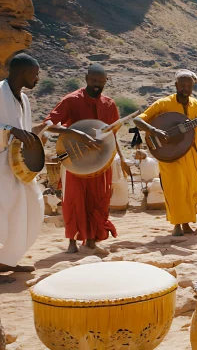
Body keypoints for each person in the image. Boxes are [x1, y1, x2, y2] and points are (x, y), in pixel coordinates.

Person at [0, 54, 88, 283]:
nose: (38, 78)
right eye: (35, 73)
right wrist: (8, 130)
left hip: (18, 166)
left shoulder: (23, 99)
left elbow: (22, 131)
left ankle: (8, 260)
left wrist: (40, 129)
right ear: (23, 72)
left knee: (29, 209)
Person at [134, 70, 197, 236]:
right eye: (182, 85)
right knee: (175, 189)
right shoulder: (163, 104)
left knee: (191, 189)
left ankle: (187, 224)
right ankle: (177, 225)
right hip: (169, 155)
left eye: (189, 85)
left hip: (192, 155)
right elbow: (138, 120)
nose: (185, 88)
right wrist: (155, 131)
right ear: (176, 85)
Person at [44, 64, 130, 254]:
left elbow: (113, 135)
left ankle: (91, 240)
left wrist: (122, 159)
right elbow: (49, 124)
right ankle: (72, 242)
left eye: (101, 81)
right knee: (74, 200)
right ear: (86, 78)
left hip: (101, 162)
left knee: (98, 199)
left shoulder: (109, 104)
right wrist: (75, 133)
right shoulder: (71, 100)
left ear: (106, 81)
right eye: (93, 81)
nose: (97, 85)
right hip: (75, 161)